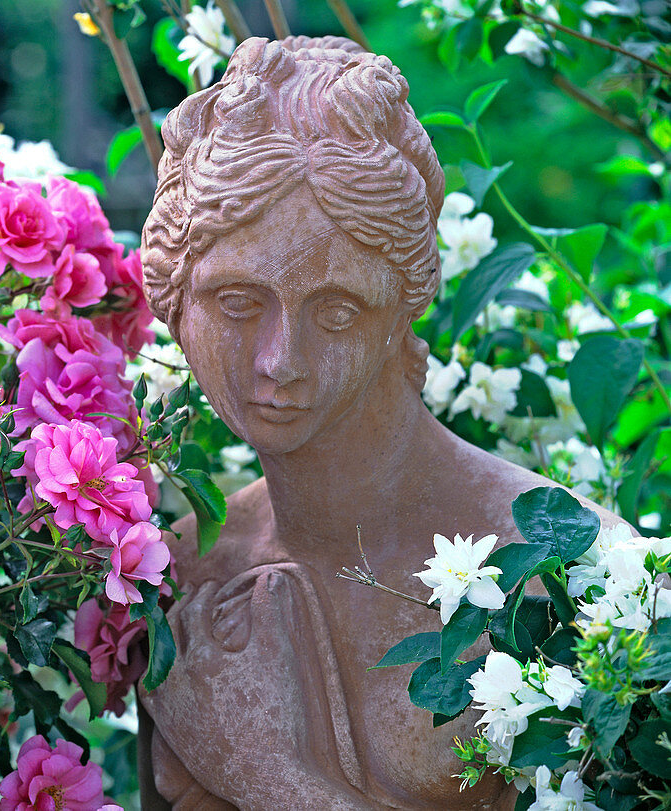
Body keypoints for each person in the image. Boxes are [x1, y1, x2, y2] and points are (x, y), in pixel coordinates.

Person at [136, 35, 623, 810]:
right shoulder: (186, 575)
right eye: (237, 302)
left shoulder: (576, 577)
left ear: (402, 309)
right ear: (171, 293)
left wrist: (270, 776)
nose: (278, 360)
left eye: (336, 310)